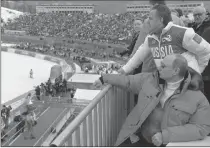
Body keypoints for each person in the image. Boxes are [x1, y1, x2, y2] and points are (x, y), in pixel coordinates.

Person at [93, 54, 210, 146]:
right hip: (139, 139)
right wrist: (104, 78)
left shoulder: (198, 98)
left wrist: (165, 136)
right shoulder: (149, 79)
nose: (159, 67)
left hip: (170, 144)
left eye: (164, 66)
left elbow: (201, 128)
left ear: (175, 71)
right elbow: (128, 81)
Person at [118, 4, 210, 77]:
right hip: (168, 83)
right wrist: (124, 70)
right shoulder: (151, 38)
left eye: (150, 18)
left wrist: (197, 72)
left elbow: (206, 50)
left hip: (187, 87)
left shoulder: (182, 33)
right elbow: (138, 56)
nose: (147, 22)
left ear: (160, 19)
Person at [130, 0, 185, 74]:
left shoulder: (149, 21)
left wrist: (129, 64)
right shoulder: (178, 20)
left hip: (152, 66)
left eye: (150, 6)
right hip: (173, 65)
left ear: (155, 5)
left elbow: (140, 44)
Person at [192, 6, 210, 103]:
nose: (197, 17)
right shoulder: (193, 28)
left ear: (205, 15)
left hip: (206, 68)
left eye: (199, 14)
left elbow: (201, 46)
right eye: (195, 15)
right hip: (196, 67)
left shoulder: (208, 28)